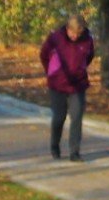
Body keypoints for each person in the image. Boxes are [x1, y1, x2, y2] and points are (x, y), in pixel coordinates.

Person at [39, 13, 95, 161]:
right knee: (59, 117)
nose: (75, 36)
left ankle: (74, 151)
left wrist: (81, 69)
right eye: (72, 33)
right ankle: (54, 146)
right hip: (58, 83)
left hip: (78, 84)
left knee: (76, 117)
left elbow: (89, 56)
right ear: (67, 29)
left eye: (78, 33)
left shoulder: (87, 40)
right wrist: (51, 71)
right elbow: (44, 55)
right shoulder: (56, 38)